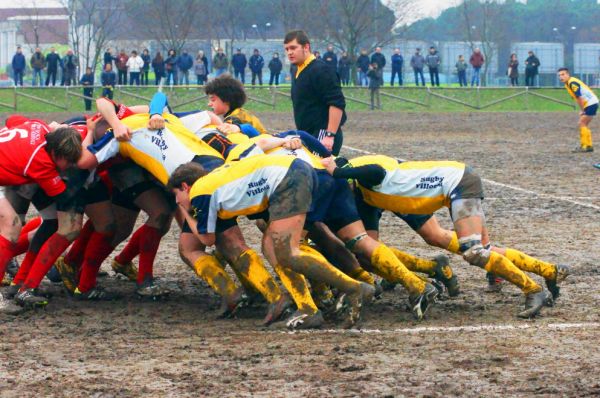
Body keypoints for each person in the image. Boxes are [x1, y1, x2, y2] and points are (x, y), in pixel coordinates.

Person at [323, 154, 553, 319]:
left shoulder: (364, 173)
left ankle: (534, 290)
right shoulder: (363, 195)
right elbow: (369, 245)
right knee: (482, 249)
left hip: (458, 183)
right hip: (437, 194)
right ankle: (548, 271)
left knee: (475, 252)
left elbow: (374, 170)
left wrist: (337, 170)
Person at [168, 156, 376, 329]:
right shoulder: (214, 182)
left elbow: (207, 239)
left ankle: (354, 288)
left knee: (288, 253)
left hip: (288, 179)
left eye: (176, 195)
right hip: (293, 173)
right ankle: (309, 307)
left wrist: (186, 212)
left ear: (185, 186)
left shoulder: (199, 193)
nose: (177, 201)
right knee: (272, 247)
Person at [284, 30, 346, 155]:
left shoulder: (321, 70)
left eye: (293, 48)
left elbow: (336, 103)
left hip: (322, 134)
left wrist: (329, 135)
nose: (289, 52)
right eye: (287, 49)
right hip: (307, 134)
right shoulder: (297, 70)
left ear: (306, 47)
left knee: (319, 172)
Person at [558, 67, 598, 153]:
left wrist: (582, 110)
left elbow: (579, 98)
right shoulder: (569, 83)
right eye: (559, 75)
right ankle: (588, 145)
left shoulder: (572, 83)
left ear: (568, 74)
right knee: (584, 123)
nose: (561, 77)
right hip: (591, 102)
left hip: (590, 103)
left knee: (582, 123)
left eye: (563, 74)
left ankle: (585, 146)